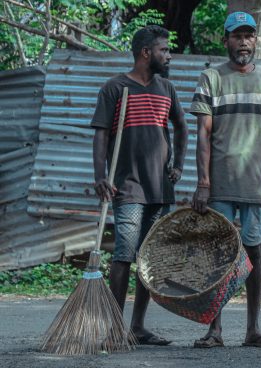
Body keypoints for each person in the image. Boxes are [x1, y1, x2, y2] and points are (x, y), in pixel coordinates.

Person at [190, 11, 261, 349]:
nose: (244, 42)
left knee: (254, 251)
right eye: (237, 36)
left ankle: (253, 329)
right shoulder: (211, 78)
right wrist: (203, 183)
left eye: (249, 35)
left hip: (256, 183)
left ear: (255, 40)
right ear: (226, 40)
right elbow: (202, 135)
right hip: (220, 184)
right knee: (219, 254)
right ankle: (214, 330)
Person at [91, 25, 188, 345]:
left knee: (148, 259)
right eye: (164, 50)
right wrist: (100, 176)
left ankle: (137, 327)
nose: (169, 55)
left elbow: (182, 127)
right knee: (124, 254)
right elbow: (101, 134)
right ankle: (114, 329)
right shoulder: (115, 88)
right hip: (127, 187)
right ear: (146, 53)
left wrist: (178, 165)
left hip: (160, 189)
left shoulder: (166, 88)